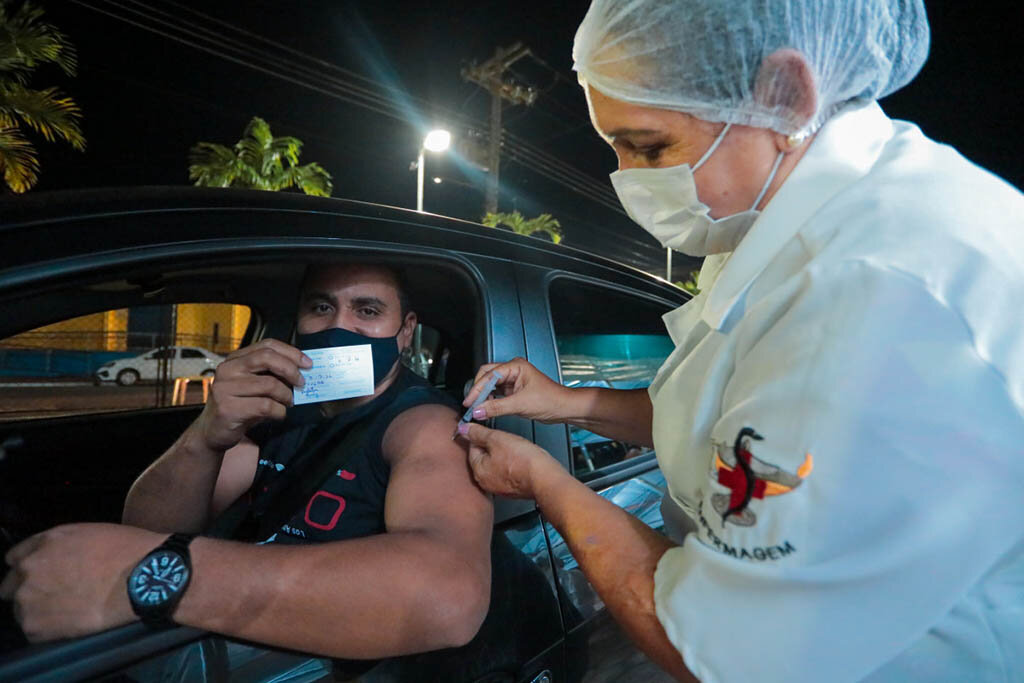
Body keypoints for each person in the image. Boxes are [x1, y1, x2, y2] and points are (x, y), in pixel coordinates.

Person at [455, 1, 1024, 681]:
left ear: (785, 96)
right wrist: (570, 403)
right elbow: (726, 421)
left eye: (651, 145)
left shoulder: (871, 296)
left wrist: (542, 478)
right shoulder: (785, 217)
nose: (628, 178)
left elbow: (719, 651)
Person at [1, 263, 492, 666]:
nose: (340, 325)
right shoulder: (276, 406)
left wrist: (160, 579)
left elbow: (449, 596)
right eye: (321, 306)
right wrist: (207, 435)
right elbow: (150, 528)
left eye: (368, 310)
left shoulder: (423, 423)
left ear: (405, 333)